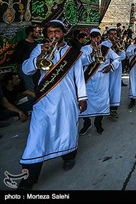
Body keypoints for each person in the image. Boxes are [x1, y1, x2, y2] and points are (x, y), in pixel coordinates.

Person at [18, 20, 87, 190]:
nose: (53, 35)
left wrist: (82, 97)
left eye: (57, 31)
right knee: (37, 136)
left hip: (67, 99)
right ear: (46, 34)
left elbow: (79, 77)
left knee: (66, 129)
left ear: (63, 33)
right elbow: (26, 70)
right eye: (50, 32)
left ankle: (69, 157)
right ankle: (28, 180)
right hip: (45, 100)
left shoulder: (73, 53)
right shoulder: (40, 48)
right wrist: (39, 57)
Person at [79, 28, 120, 135]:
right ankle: (87, 123)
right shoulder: (84, 49)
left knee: (101, 102)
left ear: (100, 38)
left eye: (97, 37)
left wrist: (110, 66)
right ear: (90, 38)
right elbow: (80, 62)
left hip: (102, 80)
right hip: (88, 80)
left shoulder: (106, 49)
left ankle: (98, 123)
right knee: (86, 102)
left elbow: (117, 59)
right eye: (93, 37)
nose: (95, 39)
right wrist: (92, 54)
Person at [101, 27, 125, 118]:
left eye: (115, 34)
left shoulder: (120, 44)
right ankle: (105, 107)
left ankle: (114, 108)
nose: (113, 36)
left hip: (117, 68)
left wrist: (117, 48)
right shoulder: (104, 44)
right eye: (111, 34)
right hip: (106, 68)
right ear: (108, 35)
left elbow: (123, 56)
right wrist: (112, 47)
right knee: (106, 87)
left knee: (115, 87)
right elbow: (103, 56)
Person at [13, 25, 40, 92]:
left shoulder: (37, 44)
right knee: (30, 88)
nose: (38, 34)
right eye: (36, 32)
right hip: (24, 68)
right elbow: (17, 56)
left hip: (35, 68)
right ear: (30, 32)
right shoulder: (22, 43)